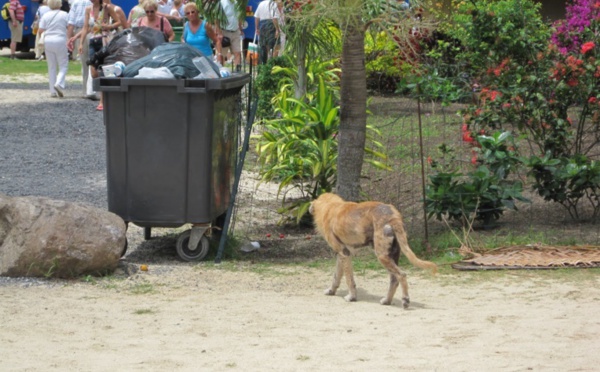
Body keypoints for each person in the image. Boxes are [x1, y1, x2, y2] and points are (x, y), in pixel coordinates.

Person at [76, 0, 120, 110]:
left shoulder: (107, 8)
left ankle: (102, 100)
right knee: (94, 73)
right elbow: (85, 27)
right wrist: (81, 43)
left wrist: (109, 26)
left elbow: (118, 22)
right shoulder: (88, 9)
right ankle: (106, 96)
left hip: (104, 40)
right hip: (92, 41)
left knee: (103, 70)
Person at [67, 0, 97, 100]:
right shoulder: (89, 7)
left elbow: (71, 22)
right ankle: (91, 90)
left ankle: (86, 90)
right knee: (89, 63)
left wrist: (71, 37)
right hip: (86, 33)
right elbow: (86, 27)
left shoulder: (76, 3)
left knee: (86, 64)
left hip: (90, 34)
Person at [38, 0, 69, 98]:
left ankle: (52, 91)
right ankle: (59, 83)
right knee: (63, 65)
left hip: (48, 41)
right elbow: (69, 27)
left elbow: (40, 30)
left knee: (51, 66)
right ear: (59, 4)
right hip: (61, 40)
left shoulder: (45, 15)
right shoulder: (65, 14)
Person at [215, 0, 243, 71]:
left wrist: (240, 29)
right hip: (224, 31)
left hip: (235, 31)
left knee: (237, 52)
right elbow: (216, 19)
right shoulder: (221, 3)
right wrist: (219, 33)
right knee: (222, 54)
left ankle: (238, 71)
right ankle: (220, 71)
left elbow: (239, 17)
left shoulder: (237, 3)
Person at [254, 0, 279, 64]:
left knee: (263, 45)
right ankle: (272, 64)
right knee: (274, 46)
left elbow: (256, 17)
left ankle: (263, 63)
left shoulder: (261, 4)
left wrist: (257, 28)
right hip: (271, 24)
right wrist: (277, 29)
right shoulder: (273, 4)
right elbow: (274, 18)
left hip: (262, 25)